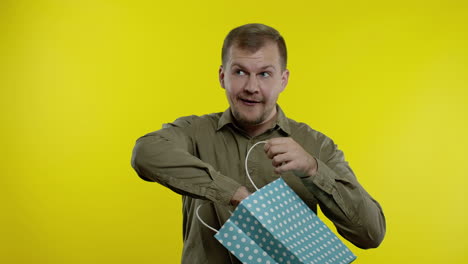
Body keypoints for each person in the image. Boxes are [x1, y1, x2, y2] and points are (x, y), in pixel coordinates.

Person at [131, 23, 386, 264]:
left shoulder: (316, 145)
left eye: (265, 74)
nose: (251, 87)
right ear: (222, 76)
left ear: (283, 80)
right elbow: (145, 153)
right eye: (240, 72)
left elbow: (371, 234)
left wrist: (313, 170)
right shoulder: (195, 132)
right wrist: (234, 194)